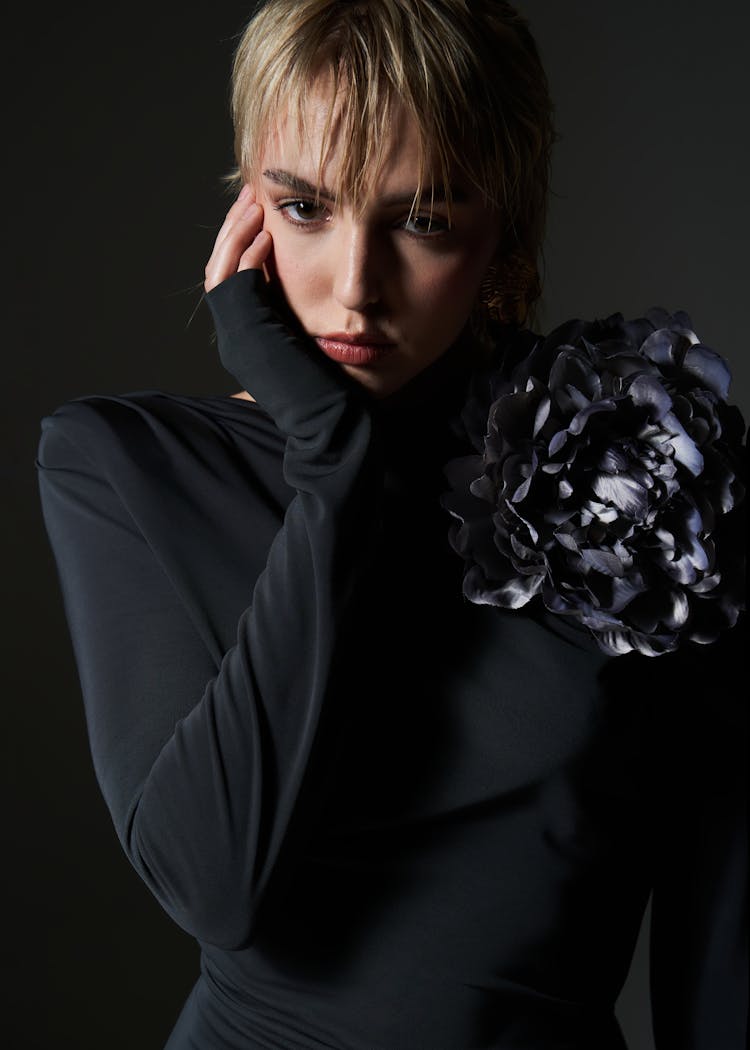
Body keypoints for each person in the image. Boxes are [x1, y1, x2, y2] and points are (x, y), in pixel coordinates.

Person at [37, 2, 747, 1048]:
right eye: (307, 207)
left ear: (504, 227)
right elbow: (211, 886)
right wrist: (333, 468)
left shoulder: (646, 473)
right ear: (249, 206)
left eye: (423, 220)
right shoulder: (127, 468)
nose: (354, 289)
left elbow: (723, 920)